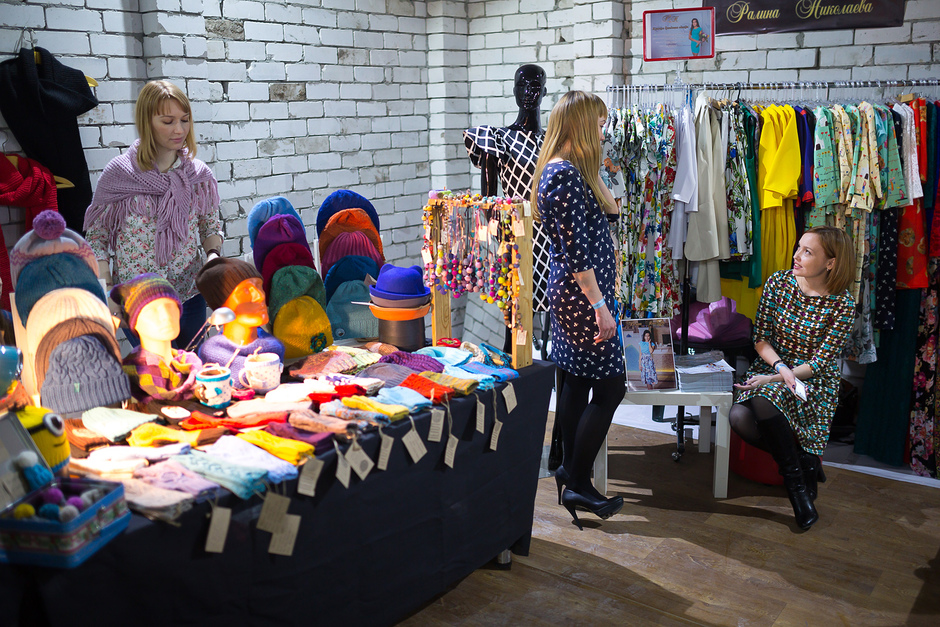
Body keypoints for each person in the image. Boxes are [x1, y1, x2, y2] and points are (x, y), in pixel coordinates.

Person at [532, 90, 625, 530]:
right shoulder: (564, 177)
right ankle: (577, 478)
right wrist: (600, 307)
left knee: (577, 381)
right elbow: (576, 254)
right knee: (611, 388)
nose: (603, 134)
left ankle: (572, 475)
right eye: (599, 126)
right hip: (583, 298)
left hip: (578, 296)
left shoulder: (569, 172)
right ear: (582, 126)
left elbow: (612, 211)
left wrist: (595, 169)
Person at [731, 226, 855, 531]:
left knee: (763, 400)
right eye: (799, 247)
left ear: (831, 263)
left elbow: (819, 363)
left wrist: (780, 377)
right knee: (738, 417)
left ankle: (796, 488)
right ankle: (804, 463)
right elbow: (761, 339)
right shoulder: (779, 282)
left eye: (808, 252)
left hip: (813, 381)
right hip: (773, 365)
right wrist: (779, 370)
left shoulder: (843, 304)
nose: (796, 255)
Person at [84, 79, 223, 349]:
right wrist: (109, 291)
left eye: (185, 120)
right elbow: (97, 238)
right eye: (168, 121)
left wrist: (213, 258)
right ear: (147, 122)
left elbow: (209, 226)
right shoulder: (119, 174)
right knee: (155, 370)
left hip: (189, 293)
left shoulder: (197, 174)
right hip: (138, 299)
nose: (179, 129)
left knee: (193, 364)